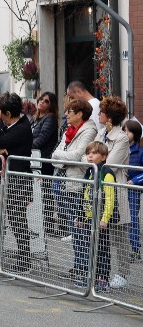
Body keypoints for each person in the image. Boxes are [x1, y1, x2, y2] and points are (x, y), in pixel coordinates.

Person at [51, 99, 98, 281]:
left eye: (70, 111)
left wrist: (61, 157)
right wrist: (62, 158)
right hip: (62, 181)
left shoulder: (89, 130)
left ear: (80, 114)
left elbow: (78, 155)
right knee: (72, 227)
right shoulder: (68, 130)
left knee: (80, 229)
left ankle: (84, 268)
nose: (66, 114)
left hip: (76, 183)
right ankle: (78, 265)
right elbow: (56, 154)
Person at [0, 93, 33, 272]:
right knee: (14, 220)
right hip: (10, 177)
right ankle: (22, 257)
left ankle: (25, 260)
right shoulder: (13, 126)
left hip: (19, 179)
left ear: (7, 113)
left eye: (1, 113)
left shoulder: (22, 128)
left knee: (18, 220)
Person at [94, 96, 132, 289]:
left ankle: (123, 273)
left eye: (101, 112)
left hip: (115, 188)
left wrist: (97, 158)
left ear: (109, 116)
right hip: (98, 188)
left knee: (119, 235)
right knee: (102, 234)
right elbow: (89, 156)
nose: (99, 115)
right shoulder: (100, 134)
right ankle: (101, 272)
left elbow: (108, 164)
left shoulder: (122, 138)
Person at [74, 141, 118, 291]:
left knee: (102, 250)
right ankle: (90, 276)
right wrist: (80, 215)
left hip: (101, 219)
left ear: (104, 156)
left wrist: (105, 219)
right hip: (89, 217)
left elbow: (110, 199)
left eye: (94, 153)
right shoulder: (90, 171)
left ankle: (102, 278)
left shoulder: (107, 173)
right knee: (90, 248)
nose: (90, 156)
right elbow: (84, 194)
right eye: (88, 153)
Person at [30, 91, 61, 235]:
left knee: (46, 193)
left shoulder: (50, 118)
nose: (42, 101)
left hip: (44, 161)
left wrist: (24, 147)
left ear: (51, 105)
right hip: (35, 159)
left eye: (46, 101)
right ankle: (41, 223)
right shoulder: (35, 118)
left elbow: (41, 138)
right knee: (38, 192)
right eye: (41, 99)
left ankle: (48, 225)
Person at [126, 119, 143, 262]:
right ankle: (123, 245)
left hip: (132, 189)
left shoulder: (140, 151)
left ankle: (135, 249)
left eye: (128, 131)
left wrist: (134, 181)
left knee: (133, 218)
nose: (125, 133)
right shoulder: (120, 147)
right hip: (120, 186)